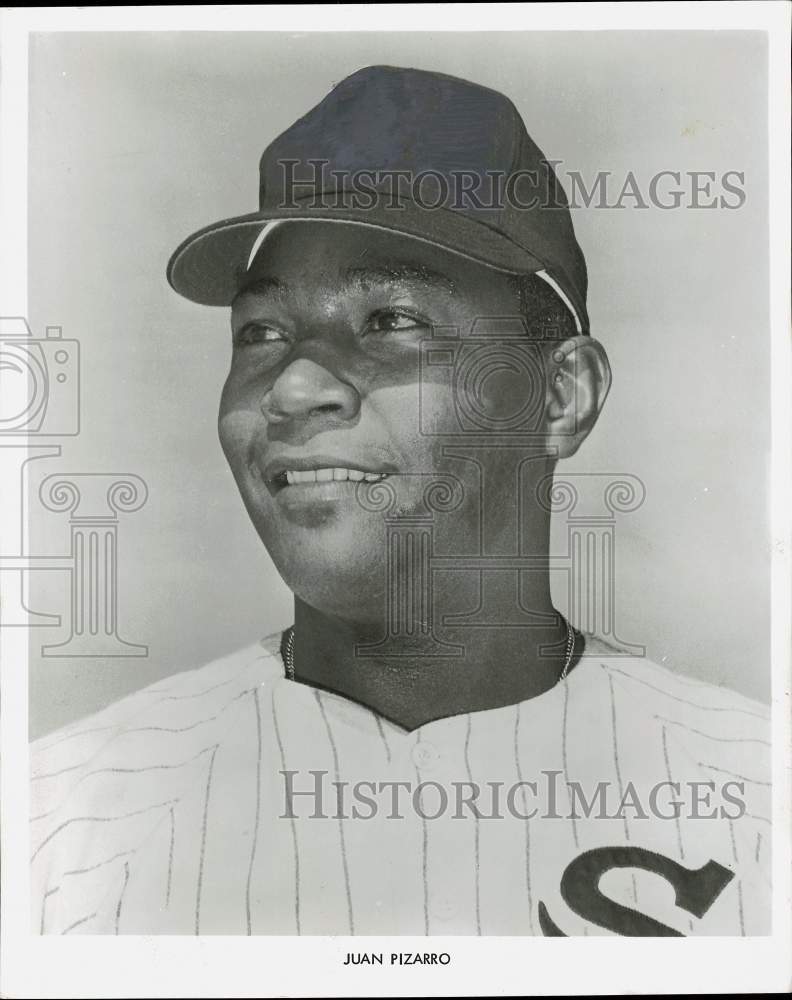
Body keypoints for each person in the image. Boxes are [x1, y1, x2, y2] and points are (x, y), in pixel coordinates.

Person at [31, 65, 770, 936]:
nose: (295, 386)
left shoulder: (758, 797)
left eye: (391, 321)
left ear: (561, 396)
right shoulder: (61, 822)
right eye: (261, 333)